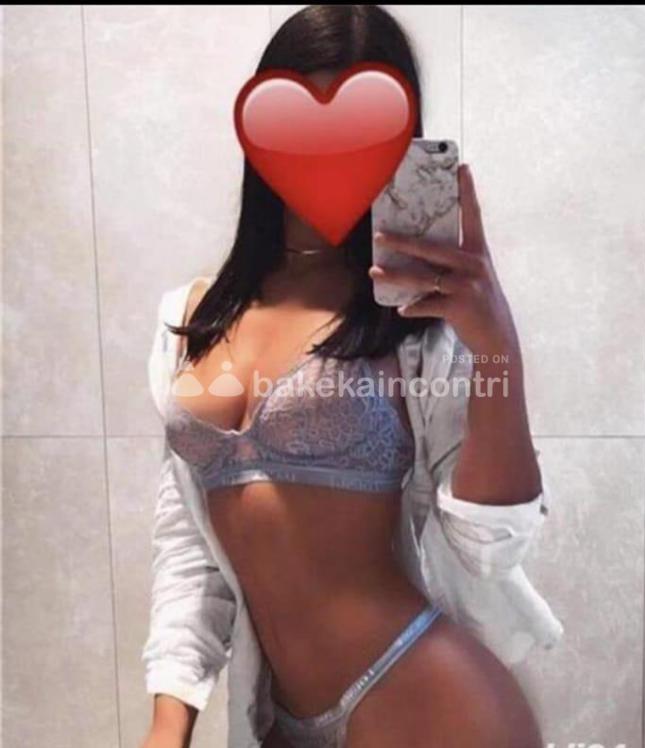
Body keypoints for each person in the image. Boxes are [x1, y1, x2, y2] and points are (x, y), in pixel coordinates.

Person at [140, 6, 563, 748]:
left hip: (424, 701)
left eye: (361, 138)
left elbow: (492, 543)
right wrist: (166, 726)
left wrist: (498, 347)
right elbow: (192, 552)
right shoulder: (190, 317)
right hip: (277, 718)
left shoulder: (417, 319)